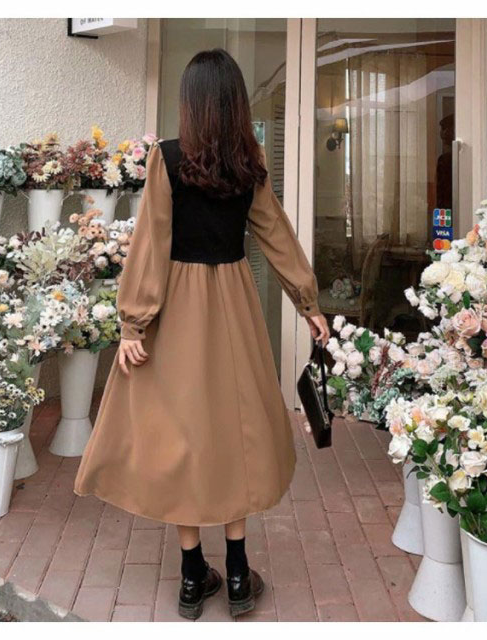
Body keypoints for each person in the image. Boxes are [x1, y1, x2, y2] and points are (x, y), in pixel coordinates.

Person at [74, 48, 330, 620]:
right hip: (234, 303)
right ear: (236, 102)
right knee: (234, 431)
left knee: (182, 435)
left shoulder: (167, 158)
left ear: (190, 102)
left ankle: (193, 576)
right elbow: (276, 234)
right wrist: (307, 301)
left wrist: (135, 321)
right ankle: (237, 574)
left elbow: (152, 242)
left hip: (177, 311)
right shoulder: (249, 161)